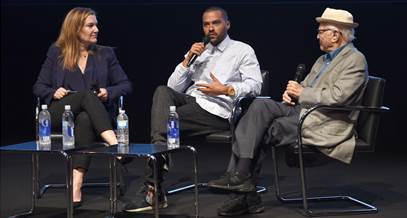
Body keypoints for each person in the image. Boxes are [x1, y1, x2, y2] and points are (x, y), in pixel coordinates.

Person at [208, 7, 368, 216]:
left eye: (321, 31)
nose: (317, 35)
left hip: (326, 121)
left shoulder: (355, 59)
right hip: (303, 111)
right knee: (259, 104)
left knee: (263, 130)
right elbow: (307, 88)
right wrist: (292, 94)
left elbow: (339, 97)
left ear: (336, 34)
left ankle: (243, 189)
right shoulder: (322, 60)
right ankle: (241, 178)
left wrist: (302, 92)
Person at [124, 6, 263, 212]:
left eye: (215, 23)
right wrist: (187, 59)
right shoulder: (200, 51)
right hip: (192, 102)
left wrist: (226, 89)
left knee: (163, 123)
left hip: (217, 110)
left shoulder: (242, 50)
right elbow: (173, 87)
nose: (210, 29)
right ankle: (157, 164)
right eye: (206, 24)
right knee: (162, 91)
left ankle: (153, 187)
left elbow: (256, 85)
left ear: (227, 24)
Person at [33, 7, 132, 207]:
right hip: (60, 113)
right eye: (90, 25)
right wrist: (53, 92)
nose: (96, 29)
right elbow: (38, 86)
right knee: (86, 96)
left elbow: (125, 85)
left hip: (91, 118)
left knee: (86, 119)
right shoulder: (56, 52)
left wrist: (108, 92)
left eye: (96, 24)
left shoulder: (106, 54)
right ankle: (116, 146)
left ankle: (76, 185)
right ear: (75, 29)